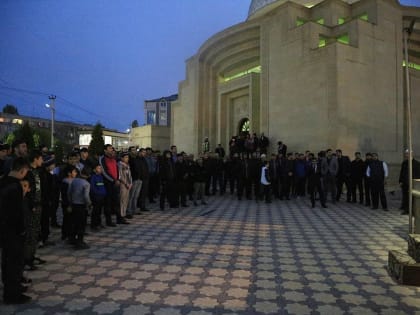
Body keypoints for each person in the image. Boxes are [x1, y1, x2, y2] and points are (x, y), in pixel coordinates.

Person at [0, 157, 31, 304]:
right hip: (13, 230)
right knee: (15, 262)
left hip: (4, 228)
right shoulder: (15, 186)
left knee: (7, 261)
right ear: (22, 170)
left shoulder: (3, 181)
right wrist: (22, 230)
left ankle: (12, 287)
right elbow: (17, 211)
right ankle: (12, 294)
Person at [68, 168, 92, 249]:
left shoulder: (74, 181)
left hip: (74, 205)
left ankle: (72, 239)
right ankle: (80, 242)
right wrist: (89, 204)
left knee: (74, 223)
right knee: (81, 224)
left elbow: (69, 192)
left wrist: (70, 203)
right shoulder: (86, 184)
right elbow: (86, 196)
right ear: (88, 175)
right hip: (81, 206)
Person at [398, 150, 420, 215]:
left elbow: (418, 174)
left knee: (413, 198)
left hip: (413, 184)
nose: (406, 155)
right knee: (405, 197)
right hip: (405, 183)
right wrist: (400, 181)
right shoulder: (404, 163)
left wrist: (415, 182)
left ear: (411, 154)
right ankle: (406, 210)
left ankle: (413, 211)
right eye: (406, 154)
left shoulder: (417, 163)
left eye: (408, 154)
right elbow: (401, 172)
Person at [118, 152, 132, 223]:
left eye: (128, 157)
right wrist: (126, 183)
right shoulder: (120, 165)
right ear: (122, 158)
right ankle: (121, 215)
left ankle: (124, 213)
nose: (127, 159)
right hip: (123, 185)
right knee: (122, 200)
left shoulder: (127, 165)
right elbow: (120, 176)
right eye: (126, 157)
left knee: (126, 200)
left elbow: (129, 175)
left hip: (128, 185)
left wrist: (130, 183)